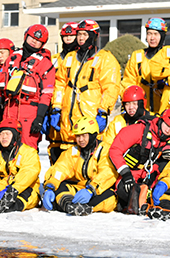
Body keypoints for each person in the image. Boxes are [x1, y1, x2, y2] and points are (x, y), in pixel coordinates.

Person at [50, 19, 120, 164]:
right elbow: (60, 84)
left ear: (94, 36)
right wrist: (56, 107)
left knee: (87, 160)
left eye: (85, 34)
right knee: (64, 161)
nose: (81, 38)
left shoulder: (106, 59)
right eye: (79, 34)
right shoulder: (70, 58)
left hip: (90, 116)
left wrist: (103, 111)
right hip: (67, 119)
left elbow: (111, 87)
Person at [91, 107, 170, 215]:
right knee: (128, 191)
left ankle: (163, 206)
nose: (167, 130)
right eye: (166, 125)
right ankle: (138, 204)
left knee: (167, 181)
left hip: (152, 176)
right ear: (161, 120)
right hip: (130, 172)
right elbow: (115, 150)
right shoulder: (140, 130)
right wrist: (126, 174)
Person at [0, 24, 54, 149]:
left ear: (42, 44)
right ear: (26, 35)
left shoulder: (45, 64)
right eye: (32, 38)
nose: (34, 42)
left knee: (27, 149)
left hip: (30, 112)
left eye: (38, 41)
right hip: (9, 109)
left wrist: (40, 117)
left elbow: (46, 94)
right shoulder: (12, 58)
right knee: (4, 147)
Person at [40, 116, 107, 214]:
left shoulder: (104, 150)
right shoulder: (73, 151)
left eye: (84, 135)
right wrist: (50, 186)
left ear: (92, 135)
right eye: (78, 136)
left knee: (109, 196)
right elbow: (60, 168)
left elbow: (107, 173)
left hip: (98, 189)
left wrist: (91, 189)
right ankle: (70, 206)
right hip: (80, 188)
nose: (81, 140)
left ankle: (85, 207)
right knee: (60, 186)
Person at [122, 18, 169, 112]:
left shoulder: (169, 55)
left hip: (163, 107)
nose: (152, 38)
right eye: (149, 33)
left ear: (162, 36)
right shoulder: (137, 56)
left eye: (156, 34)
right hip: (141, 108)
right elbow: (128, 81)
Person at [46, 22, 77, 164]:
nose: (68, 38)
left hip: (74, 109)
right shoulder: (54, 60)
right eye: (66, 36)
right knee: (54, 146)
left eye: (72, 36)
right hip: (54, 109)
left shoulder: (80, 60)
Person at [102, 85, 153, 151]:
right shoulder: (117, 122)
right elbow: (107, 145)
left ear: (141, 104)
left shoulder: (154, 120)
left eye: (134, 103)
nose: (131, 107)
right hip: (121, 158)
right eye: (127, 104)